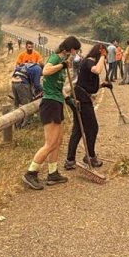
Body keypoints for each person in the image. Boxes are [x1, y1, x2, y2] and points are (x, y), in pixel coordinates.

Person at [23, 36, 82, 190]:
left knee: (58, 141)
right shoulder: (56, 58)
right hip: (49, 103)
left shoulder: (64, 61)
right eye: (75, 49)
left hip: (58, 101)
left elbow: (58, 85)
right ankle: (31, 173)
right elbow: (46, 71)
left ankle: (53, 173)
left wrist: (68, 99)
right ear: (70, 48)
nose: (76, 53)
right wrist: (61, 66)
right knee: (49, 143)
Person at [65, 43, 111, 169]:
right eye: (103, 56)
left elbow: (88, 85)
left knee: (78, 129)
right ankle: (90, 156)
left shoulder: (87, 62)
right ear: (99, 53)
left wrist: (103, 85)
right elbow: (97, 70)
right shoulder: (90, 62)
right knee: (93, 127)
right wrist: (102, 57)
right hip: (82, 100)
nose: (104, 59)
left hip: (80, 96)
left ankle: (70, 159)